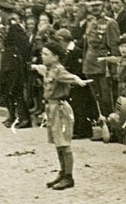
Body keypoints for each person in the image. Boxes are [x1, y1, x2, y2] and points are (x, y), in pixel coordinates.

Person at [32, 41, 88, 190]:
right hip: (51, 108)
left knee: (64, 143)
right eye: (42, 54)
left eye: (46, 54)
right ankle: (62, 173)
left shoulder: (58, 70)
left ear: (56, 57)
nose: (42, 57)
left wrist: (79, 81)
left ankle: (69, 177)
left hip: (60, 109)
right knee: (58, 143)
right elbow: (40, 68)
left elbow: (71, 77)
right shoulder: (49, 69)